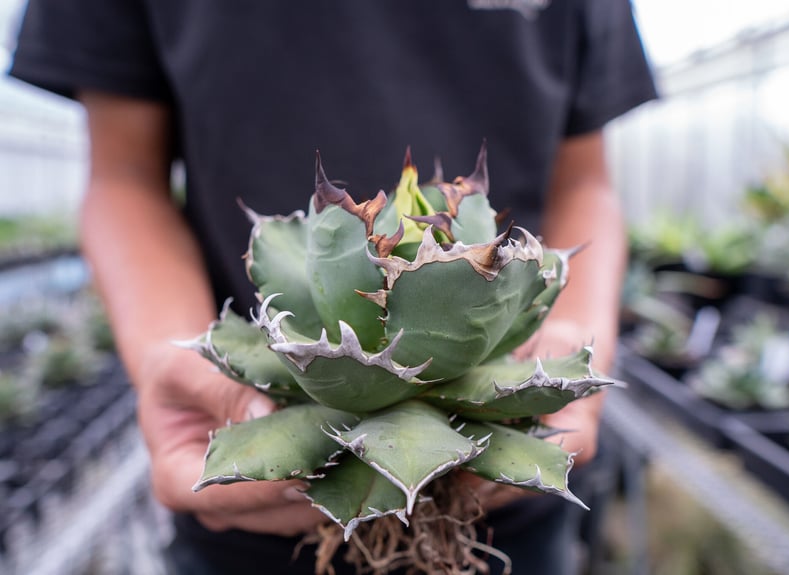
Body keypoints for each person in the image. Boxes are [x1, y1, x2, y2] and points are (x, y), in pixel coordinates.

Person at [10, 1, 657, 573]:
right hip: (255, 503)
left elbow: (584, 181)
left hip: (501, 512)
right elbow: (124, 173)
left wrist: (576, 344)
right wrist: (165, 350)